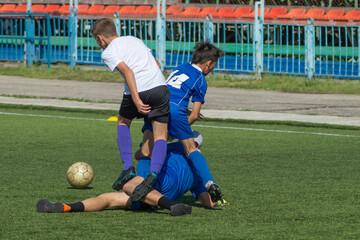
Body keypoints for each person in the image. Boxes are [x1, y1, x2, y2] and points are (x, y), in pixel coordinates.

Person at [36, 132, 227, 216]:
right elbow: (207, 202)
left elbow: (142, 153)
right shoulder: (199, 170)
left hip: (154, 185)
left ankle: (172, 205)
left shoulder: (175, 146)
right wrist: (218, 201)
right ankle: (65, 207)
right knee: (108, 198)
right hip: (157, 197)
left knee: (125, 187)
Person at [90, 18, 170, 200]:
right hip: (160, 87)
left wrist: (135, 97)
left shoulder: (109, 51)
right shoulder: (134, 40)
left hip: (139, 89)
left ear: (100, 38)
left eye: (97, 40)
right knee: (160, 136)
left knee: (123, 122)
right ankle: (153, 174)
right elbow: (157, 64)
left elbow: (128, 72)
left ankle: (128, 167)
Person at [139, 42, 225, 203]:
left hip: (155, 104)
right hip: (175, 111)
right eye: (213, 65)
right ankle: (210, 182)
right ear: (208, 64)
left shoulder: (180, 68)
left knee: (145, 152)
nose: (212, 69)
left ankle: (140, 184)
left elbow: (172, 92)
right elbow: (193, 116)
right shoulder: (200, 79)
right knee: (191, 149)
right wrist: (174, 132)